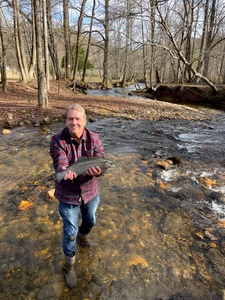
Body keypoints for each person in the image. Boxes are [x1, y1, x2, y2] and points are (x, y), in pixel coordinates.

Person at [50, 103, 105, 288]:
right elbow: (60, 162)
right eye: (70, 118)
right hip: (67, 194)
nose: (74, 122)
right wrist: (65, 171)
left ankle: (84, 236)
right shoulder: (57, 140)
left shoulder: (95, 138)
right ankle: (70, 267)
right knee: (70, 232)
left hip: (90, 191)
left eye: (77, 118)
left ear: (84, 120)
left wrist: (98, 172)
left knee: (91, 221)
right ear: (66, 121)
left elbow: (101, 164)